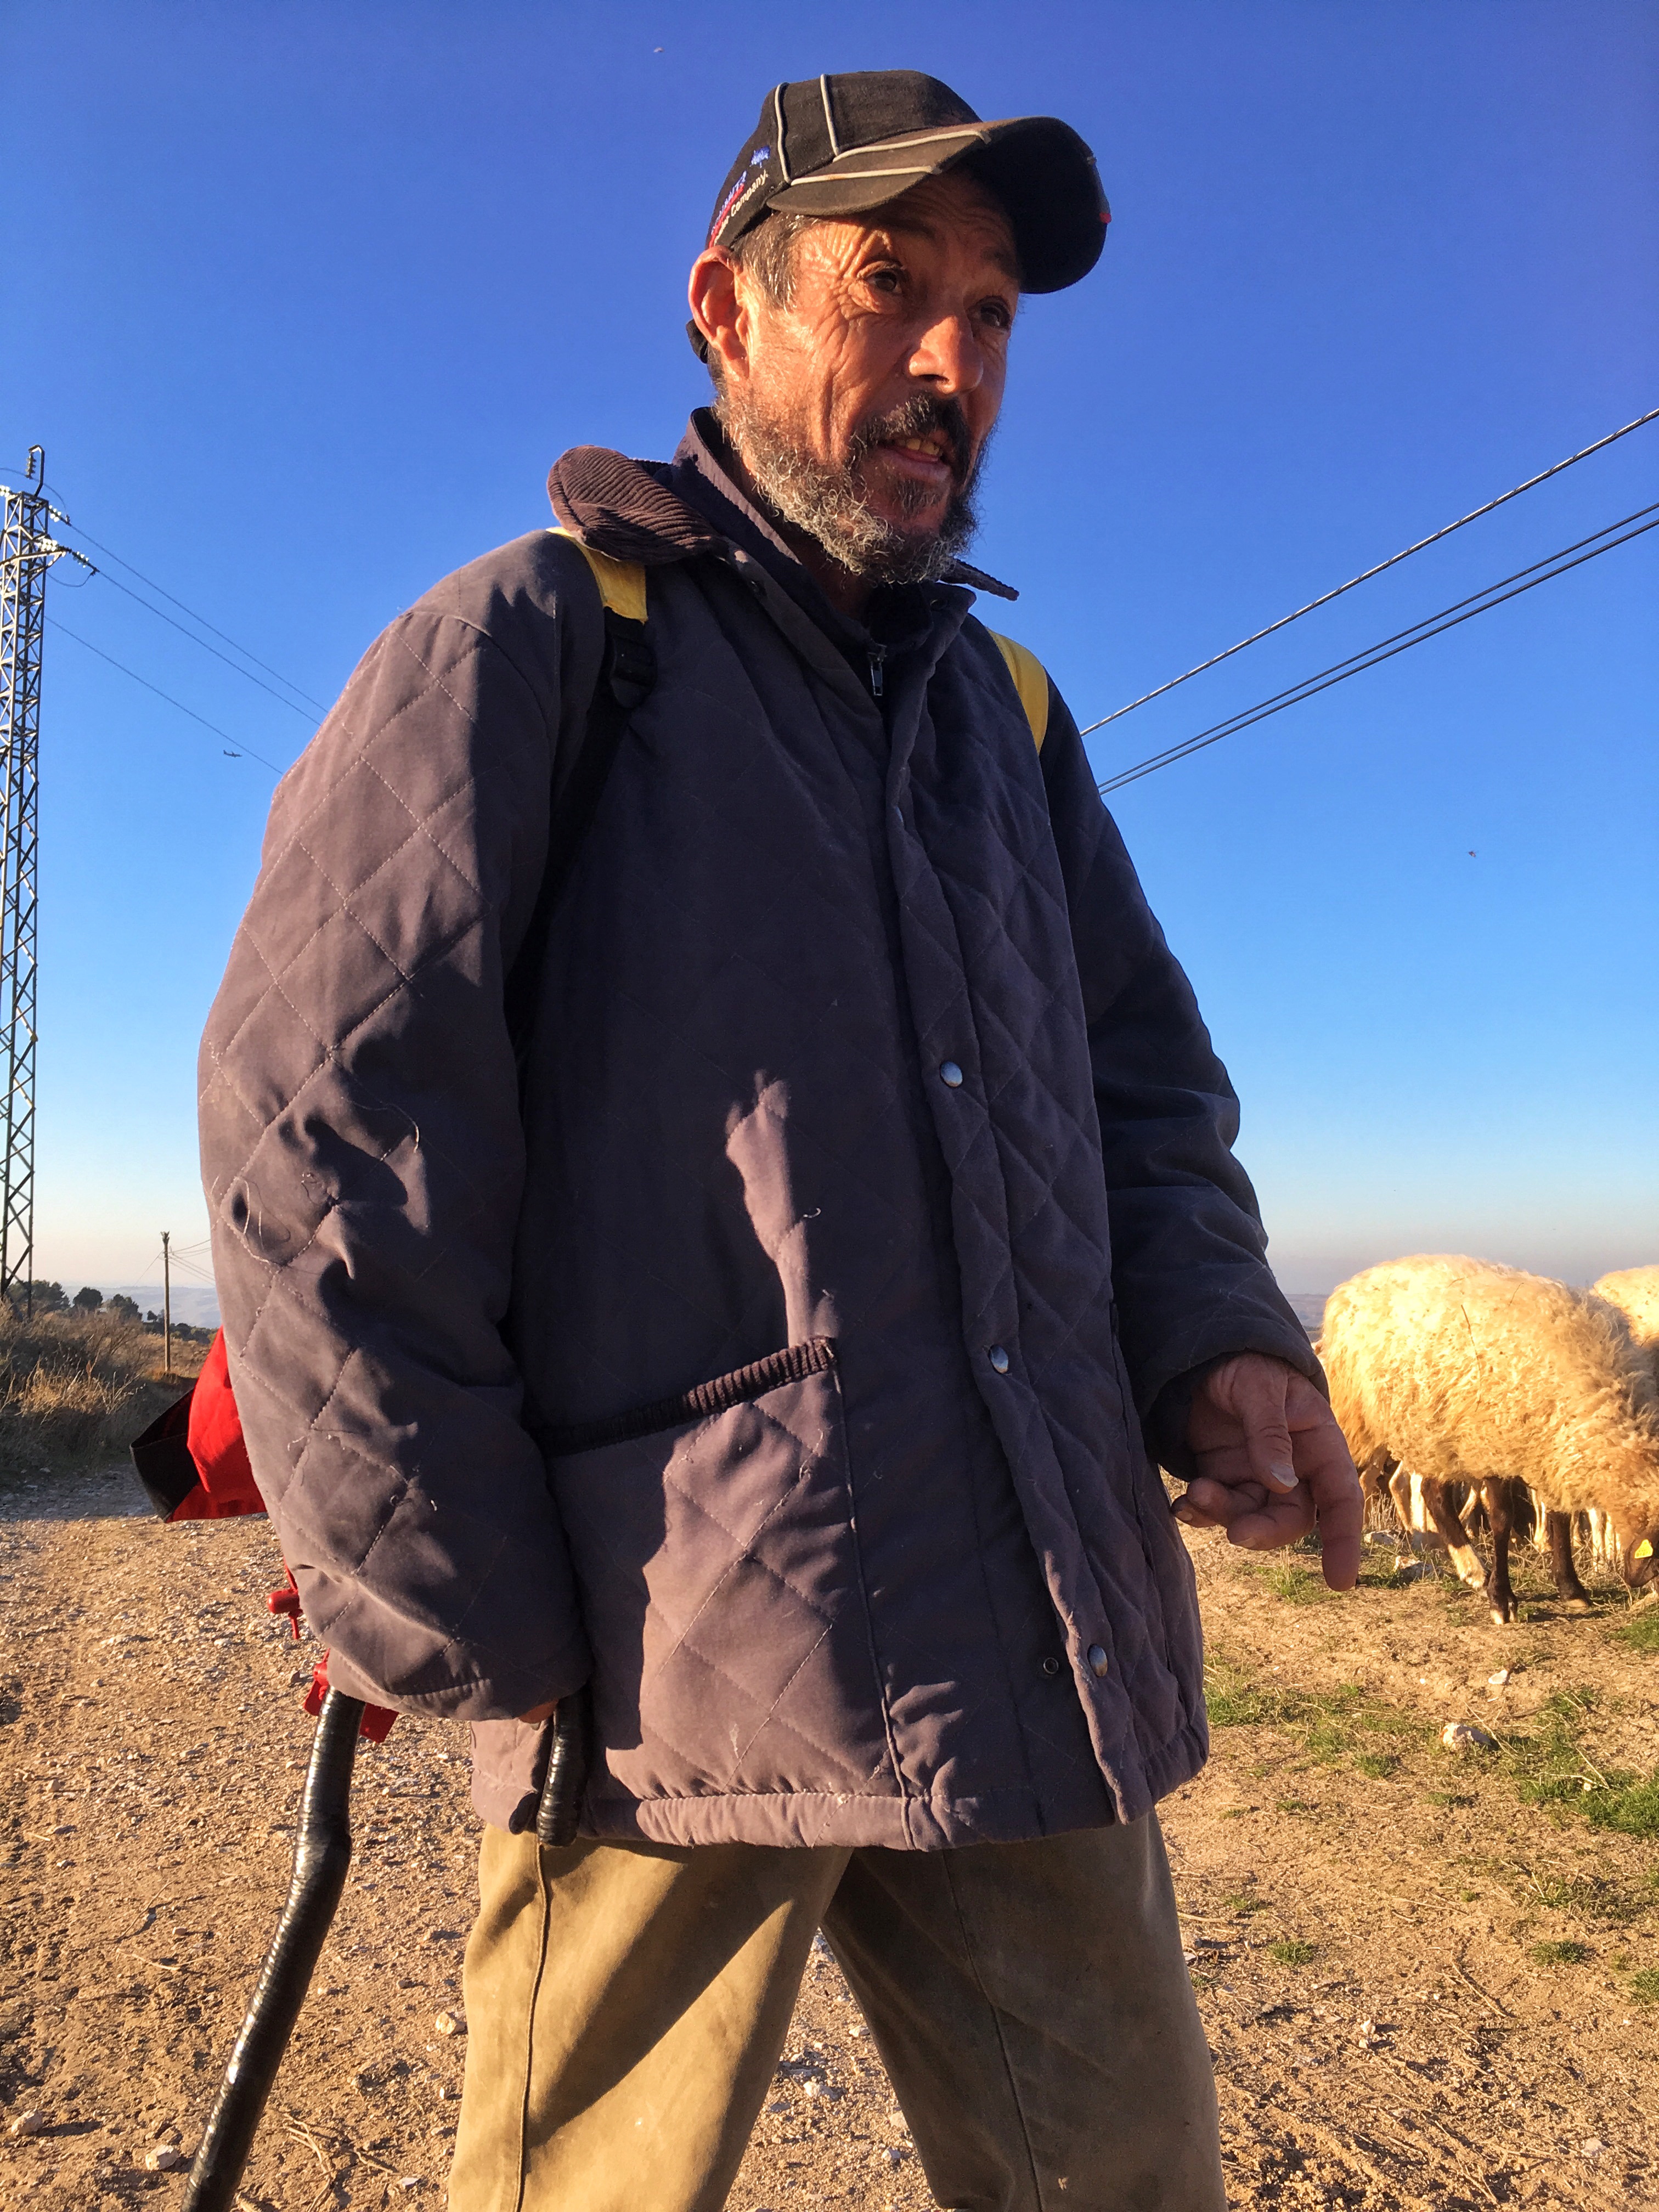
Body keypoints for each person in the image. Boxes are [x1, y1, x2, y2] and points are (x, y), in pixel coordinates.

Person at [199, 68, 1361, 2212]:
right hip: (665, 1687)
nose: (952, 362)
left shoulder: (1011, 724)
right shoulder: (542, 643)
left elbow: (1142, 1092)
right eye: (887, 286)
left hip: (1023, 1649)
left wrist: (1218, 1345)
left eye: (992, 315)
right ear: (726, 310)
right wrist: (475, 1619)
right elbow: (322, 1131)